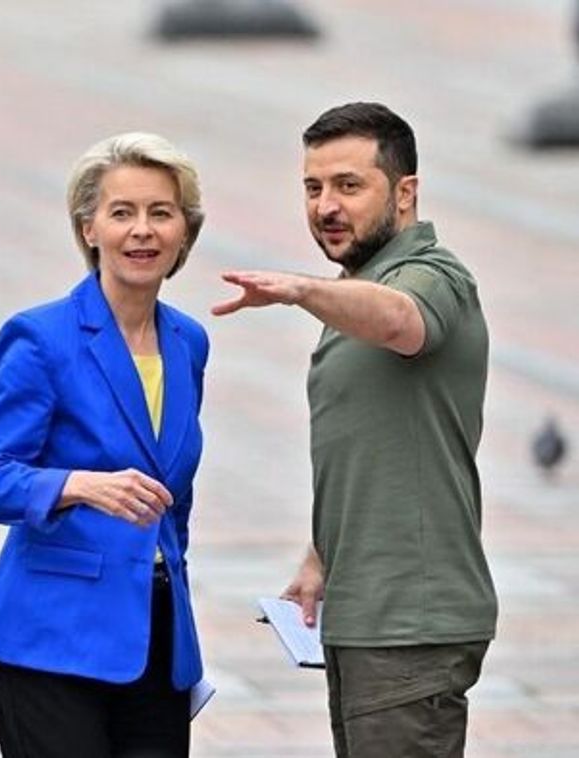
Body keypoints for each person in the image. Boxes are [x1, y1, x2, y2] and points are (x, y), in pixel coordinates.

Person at [212, 102, 495, 758]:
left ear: (404, 193)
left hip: (410, 622)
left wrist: (300, 290)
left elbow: (402, 321)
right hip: (367, 614)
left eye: (347, 185)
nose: (324, 206)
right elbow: (377, 444)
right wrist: (321, 557)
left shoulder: (430, 275)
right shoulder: (358, 288)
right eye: (312, 188)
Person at [0, 132, 209, 757]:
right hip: (53, 634)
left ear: (185, 230)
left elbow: (173, 496)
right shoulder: (40, 338)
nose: (142, 231)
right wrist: (78, 485)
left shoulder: (189, 342)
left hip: (156, 636)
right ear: (89, 228)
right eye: (122, 213)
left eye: (161, 213)